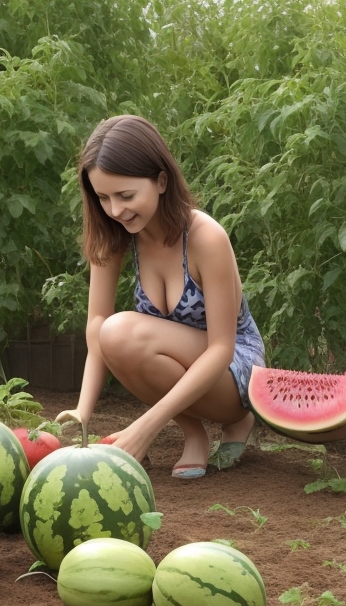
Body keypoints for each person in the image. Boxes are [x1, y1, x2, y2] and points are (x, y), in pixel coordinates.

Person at [58, 115, 265, 479]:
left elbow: (221, 348)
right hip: (185, 368)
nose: (115, 210)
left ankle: (239, 421)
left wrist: (146, 426)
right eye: (103, 198)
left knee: (122, 330)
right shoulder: (116, 232)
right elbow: (97, 327)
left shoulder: (205, 237)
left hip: (236, 371)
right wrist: (82, 411)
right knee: (112, 333)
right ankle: (194, 434)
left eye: (126, 195)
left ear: (162, 181)